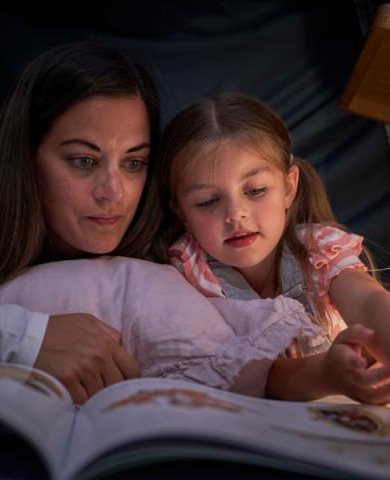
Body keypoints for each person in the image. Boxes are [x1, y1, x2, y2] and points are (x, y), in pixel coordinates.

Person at [0, 41, 161, 404]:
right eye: (83, 161)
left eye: (133, 163)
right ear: (26, 154)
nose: (113, 193)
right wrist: (25, 340)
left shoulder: (172, 246)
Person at [154, 92, 390, 404]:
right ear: (182, 212)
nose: (236, 214)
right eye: (208, 201)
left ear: (289, 188)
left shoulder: (317, 249)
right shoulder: (187, 273)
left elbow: (367, 301)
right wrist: (328, 375)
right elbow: (253, 378)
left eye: (256, 190)